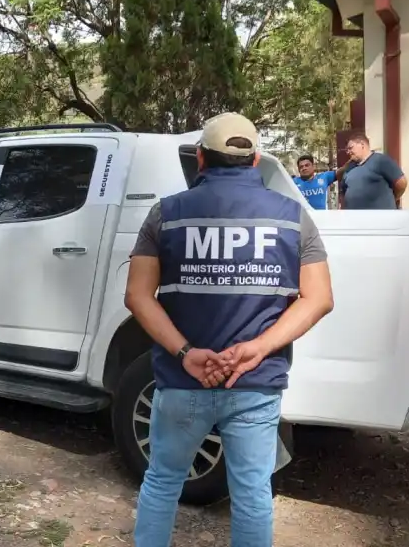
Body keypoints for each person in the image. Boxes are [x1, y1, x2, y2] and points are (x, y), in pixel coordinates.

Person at [125, 112, 334, 547]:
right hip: (254, 383)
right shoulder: (294, 218)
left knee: (163, 482)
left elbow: (138, 296)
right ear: (255, 160)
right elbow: (319, 298)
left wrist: (186, 353)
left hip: (182, 382)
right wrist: (257, 349)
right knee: (252, 496)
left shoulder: (165, 214)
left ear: (200, 158)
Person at [339, 133, 407, 209]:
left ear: (362, 144)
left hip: (380, 218)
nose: (348, 152)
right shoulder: (349, 168)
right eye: (347, 150)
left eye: (350, 148)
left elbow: (401, 183)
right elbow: (343, 192)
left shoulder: (381, 161)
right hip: (355, 219)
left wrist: (391, 199)